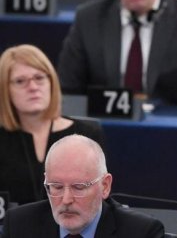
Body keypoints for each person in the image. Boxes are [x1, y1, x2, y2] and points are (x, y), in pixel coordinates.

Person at [0, 44, 105, 205]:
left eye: (39, 78)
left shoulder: (87, 134)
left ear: (51, 82)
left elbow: (99, 197)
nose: (33, 87)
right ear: (5, 90)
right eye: (20, 81)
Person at [2, 134, 165, 237]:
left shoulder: (141, 233)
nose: (66, 200)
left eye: (78, 187)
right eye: (56, 187)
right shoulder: (18, 225)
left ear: (105, 186)